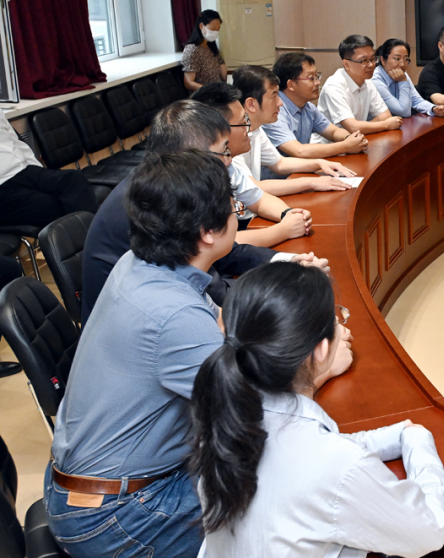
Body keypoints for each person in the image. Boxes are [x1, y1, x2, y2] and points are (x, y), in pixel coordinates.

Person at [46, 152, 356, 558]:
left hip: (104, 485)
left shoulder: (140, 264)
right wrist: (320, 367)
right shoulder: (172, 313)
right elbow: (257, 415)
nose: (238, 212)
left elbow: (223, 330)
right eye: (233, 207)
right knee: (300, 498)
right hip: (119, 515)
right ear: (208, 232)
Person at [191, 263, 444, 557]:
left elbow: (309, 454)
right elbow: (428, 530)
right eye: (336, 319)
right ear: (320, 350)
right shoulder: (334, 466)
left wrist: (396, 436)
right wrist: (419, 441)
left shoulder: (226, 417)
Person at [80, 100, 328, 324]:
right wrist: (287, 286)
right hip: (138, 325)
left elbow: (222, 251)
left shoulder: (168, 184)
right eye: (223, 151)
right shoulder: (158, 201)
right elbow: (212, 292)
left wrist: (286, 262)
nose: (229, 160)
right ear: (191, 156)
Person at [191, 82, 315, 248]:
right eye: (243, 122)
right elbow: (218, 243)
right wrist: (284, 230)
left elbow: (259, 199)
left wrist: (288, 214)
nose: (248, 128)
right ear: (217, 130)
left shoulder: (227, 163)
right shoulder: (194, 174)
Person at [232, 65, 358, 193]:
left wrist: (319, 163)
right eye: (274, 96)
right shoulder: (231, 136)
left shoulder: (256, 129)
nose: (280, 103)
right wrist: (310, 182)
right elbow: (251, 187)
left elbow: (279, 163)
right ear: (251, 104)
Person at [263, 52, 370, 159]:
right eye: (311, 78)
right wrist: (345, 146)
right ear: (291, 85)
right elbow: (299, 151)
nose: (318, 82)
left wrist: (350, 139)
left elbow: (334, 132)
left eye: (317, 76)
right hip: (283, 170)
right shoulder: (275, 111)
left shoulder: (308, 107)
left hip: (302, 167)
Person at [0, 114, 97, 227]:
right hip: (3, 184)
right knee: (52, 205)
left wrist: (38, 172)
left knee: (74, 178)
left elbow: (16, 142)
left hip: (24, 169)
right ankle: (87, 234)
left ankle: (93, 233)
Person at [313, 34, 404, 142]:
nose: (371, 65)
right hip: (328, 147)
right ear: (346, 64)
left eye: (373, 59)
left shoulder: (367, 82)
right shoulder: (334, 86)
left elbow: (385, 115)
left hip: (356, 143)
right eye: (364, 61)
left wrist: (362, 128)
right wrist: (385, 125)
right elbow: (352, 127)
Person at [373, 38, 444, 118]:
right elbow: (404, 111)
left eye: (406, 59)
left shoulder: (402, 74)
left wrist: (433, 108)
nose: (402, 64)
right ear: (383, 60)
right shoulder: (375, 80)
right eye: (397, 59)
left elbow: (417, 101)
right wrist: (402, 81)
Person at [181, 9, 227, 92]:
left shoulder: (211, 46)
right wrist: (210, 91)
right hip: (204, 94)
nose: (215, 32)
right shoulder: (192, 50)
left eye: (218, 29)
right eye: (213, 29)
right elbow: (188, 82)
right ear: (201, 26)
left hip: (218, 90)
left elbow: (222, 70)